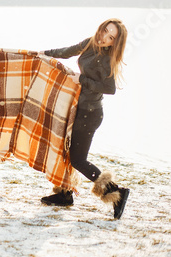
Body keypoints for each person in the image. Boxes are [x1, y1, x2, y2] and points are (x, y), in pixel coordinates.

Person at [39, 18, 129, 219]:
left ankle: (116, 192)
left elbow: (110, 88)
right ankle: (65, 195)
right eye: (105, 30)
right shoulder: (91, 42)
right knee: (65, 150)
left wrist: (83, 80)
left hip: (90, 114)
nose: (104, 37)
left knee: (78, 159)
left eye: (111, 37)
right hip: (77, 109)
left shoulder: (107, 60)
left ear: (115, 43)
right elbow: (68, 51)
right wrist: (44, 54)